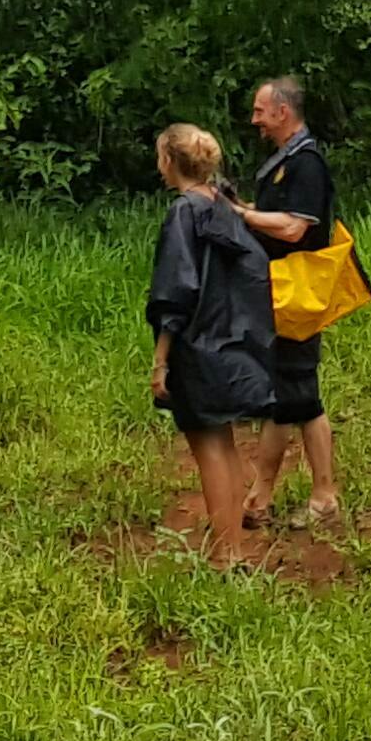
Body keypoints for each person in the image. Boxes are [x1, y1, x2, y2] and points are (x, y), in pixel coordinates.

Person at [146, 123, 279, 569]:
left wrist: (160, 359)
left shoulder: (184, 212)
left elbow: (175, 289)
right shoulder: (225, 206)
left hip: (196, 346)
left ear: (168, 160)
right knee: (224, 445)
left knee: (207, 451)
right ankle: (233, 547)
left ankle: (226, 551)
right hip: (232, 341)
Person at [236, 77, 346, 531]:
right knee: (292, 392)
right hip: (283, 291)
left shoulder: (306, 165)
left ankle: (309, 496)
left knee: (295, 392)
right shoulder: (285, 162)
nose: (255, 120)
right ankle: (275, 494)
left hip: (299, 293)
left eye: (261, 111)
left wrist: (240, 215)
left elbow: (294, 228)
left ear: (283, 112)